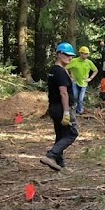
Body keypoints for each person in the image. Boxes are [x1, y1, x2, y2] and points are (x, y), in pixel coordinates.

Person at [40, 42, 80, 172]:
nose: (70, 58)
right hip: (61, 108)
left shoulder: (54, 70)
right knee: (72, 133)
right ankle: (50, 155)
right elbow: (63, 93)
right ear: (59, 54)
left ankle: (60, 163)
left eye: (71, 56)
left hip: (54, 107)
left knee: (61, 134)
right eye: (67, 55)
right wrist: (67, 112)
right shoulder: (60, 72)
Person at [66, 45, 98, 114]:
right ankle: (72, 109)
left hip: (84, 83)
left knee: (80, 99)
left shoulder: (89, 62)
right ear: (81, 53)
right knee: (74, 96)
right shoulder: (74, 61)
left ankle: (79, 111)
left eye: (87, 54)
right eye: (85, 54)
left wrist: (90, 78)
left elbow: (95, 70)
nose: (86, 55)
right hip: (75, 82)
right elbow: (65, 68)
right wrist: (70, 77)